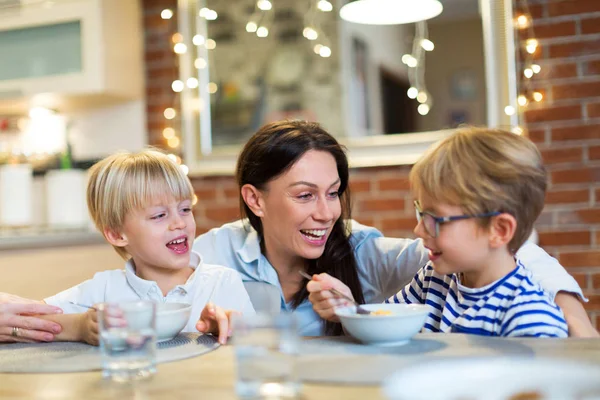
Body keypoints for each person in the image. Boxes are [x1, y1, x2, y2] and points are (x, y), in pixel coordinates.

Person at [192, 120, 596, 337]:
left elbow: (504, 253)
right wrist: (200, 322)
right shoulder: (213, 254)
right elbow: (151, 282)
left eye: (333, 193)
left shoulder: (367, 251)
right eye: (304, 195)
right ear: (255, 199)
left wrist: (573, 317)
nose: (326, 213)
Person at [308, 127, 569, 337]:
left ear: (498, 230)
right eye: (421, 213)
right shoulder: (434, 278)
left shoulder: (530, 322)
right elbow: (385, 327)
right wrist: (349, 309)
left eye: (434, 219)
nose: (419, 229)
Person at [18, 149, 254, 345]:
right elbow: (23, 319)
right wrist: (80, 326)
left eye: (184, 209)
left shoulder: (222, 284)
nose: (179, 223)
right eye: (159, 215)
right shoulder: (103, 289)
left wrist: (226, 327)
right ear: (117, 234)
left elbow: (256, 346)